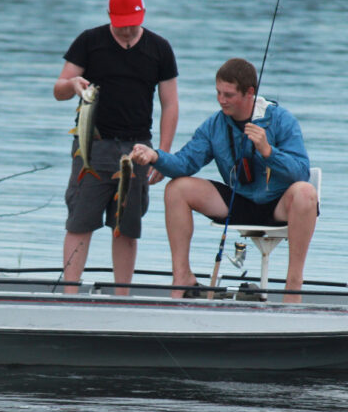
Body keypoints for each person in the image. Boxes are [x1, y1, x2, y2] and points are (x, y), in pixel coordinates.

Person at [131, 58, 318, 303]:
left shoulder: (281, 119)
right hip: (238, 202)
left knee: (305, 192)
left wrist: (268, 151)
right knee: (176, 188)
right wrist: (155, 156)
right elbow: (184, 164)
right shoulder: (215, 124)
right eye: (218, 92)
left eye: (228, 94)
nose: (221, 100)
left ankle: (293, 287)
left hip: (278, 205)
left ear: (250, 92)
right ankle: (182, 277)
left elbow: (301, 172)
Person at [53, 0, 179, 295]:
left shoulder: (159, 48)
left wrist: (162, 154)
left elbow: (171, 104)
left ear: (142, 16)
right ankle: (69, 295)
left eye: (132, 24)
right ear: (111, 17)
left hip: (137, 149)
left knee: (127, 227)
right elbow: (58, 90)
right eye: (121, 24)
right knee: (79, 222)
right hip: (93, 146)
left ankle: (121, 296)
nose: (126, 31)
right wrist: (73, 84)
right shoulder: (89, 41)